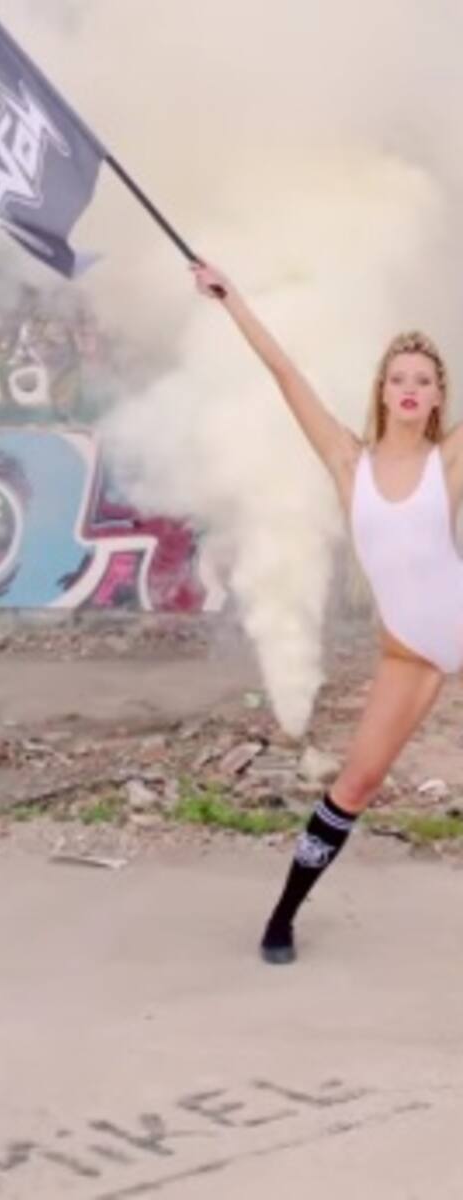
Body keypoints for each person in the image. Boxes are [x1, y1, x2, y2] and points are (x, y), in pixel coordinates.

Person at [192, 262, 463, 965]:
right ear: (383, 390)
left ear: (439, 396)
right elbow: (286, 374)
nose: (410, 388)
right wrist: (232, 299)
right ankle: (282, 917)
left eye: (424, 379)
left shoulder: (448, 461)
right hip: (409, 653)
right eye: (398, 378)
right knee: (357, 784)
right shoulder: (349, 462)